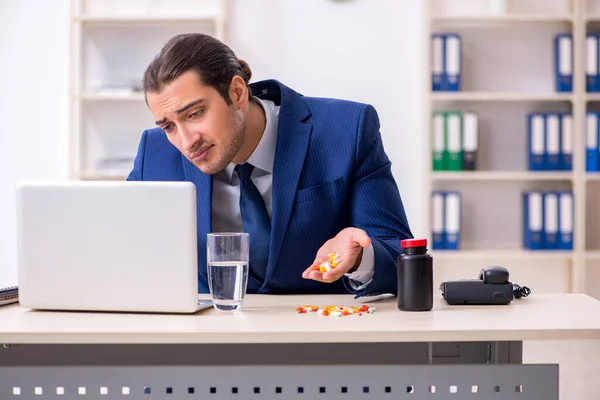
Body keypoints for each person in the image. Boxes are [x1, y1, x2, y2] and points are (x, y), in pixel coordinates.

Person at [127, 33, 413, 297]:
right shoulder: (155, 153)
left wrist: (361, 256)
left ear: (237, 93)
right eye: (168, 126)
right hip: (206, 337)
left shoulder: (347, 129)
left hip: (319, 334)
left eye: (195, 114)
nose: (186, 142)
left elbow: (402, 257)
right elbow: (122, 252)